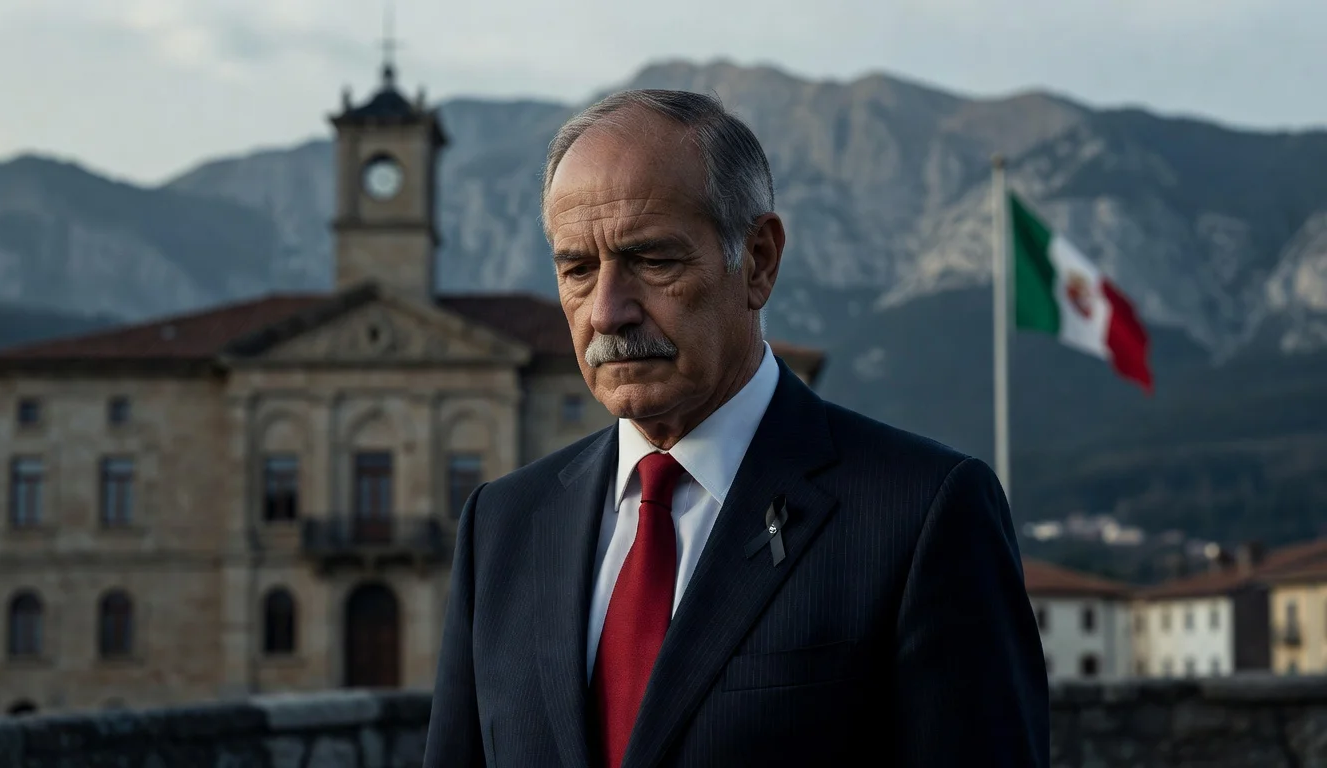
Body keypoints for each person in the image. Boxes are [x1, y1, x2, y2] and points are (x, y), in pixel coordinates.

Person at [424, 89, 1049, 768]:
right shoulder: (502, 526)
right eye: (578, 269)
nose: (606, 311)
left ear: (758, 260)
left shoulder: (921, 513)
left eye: (652, 261)